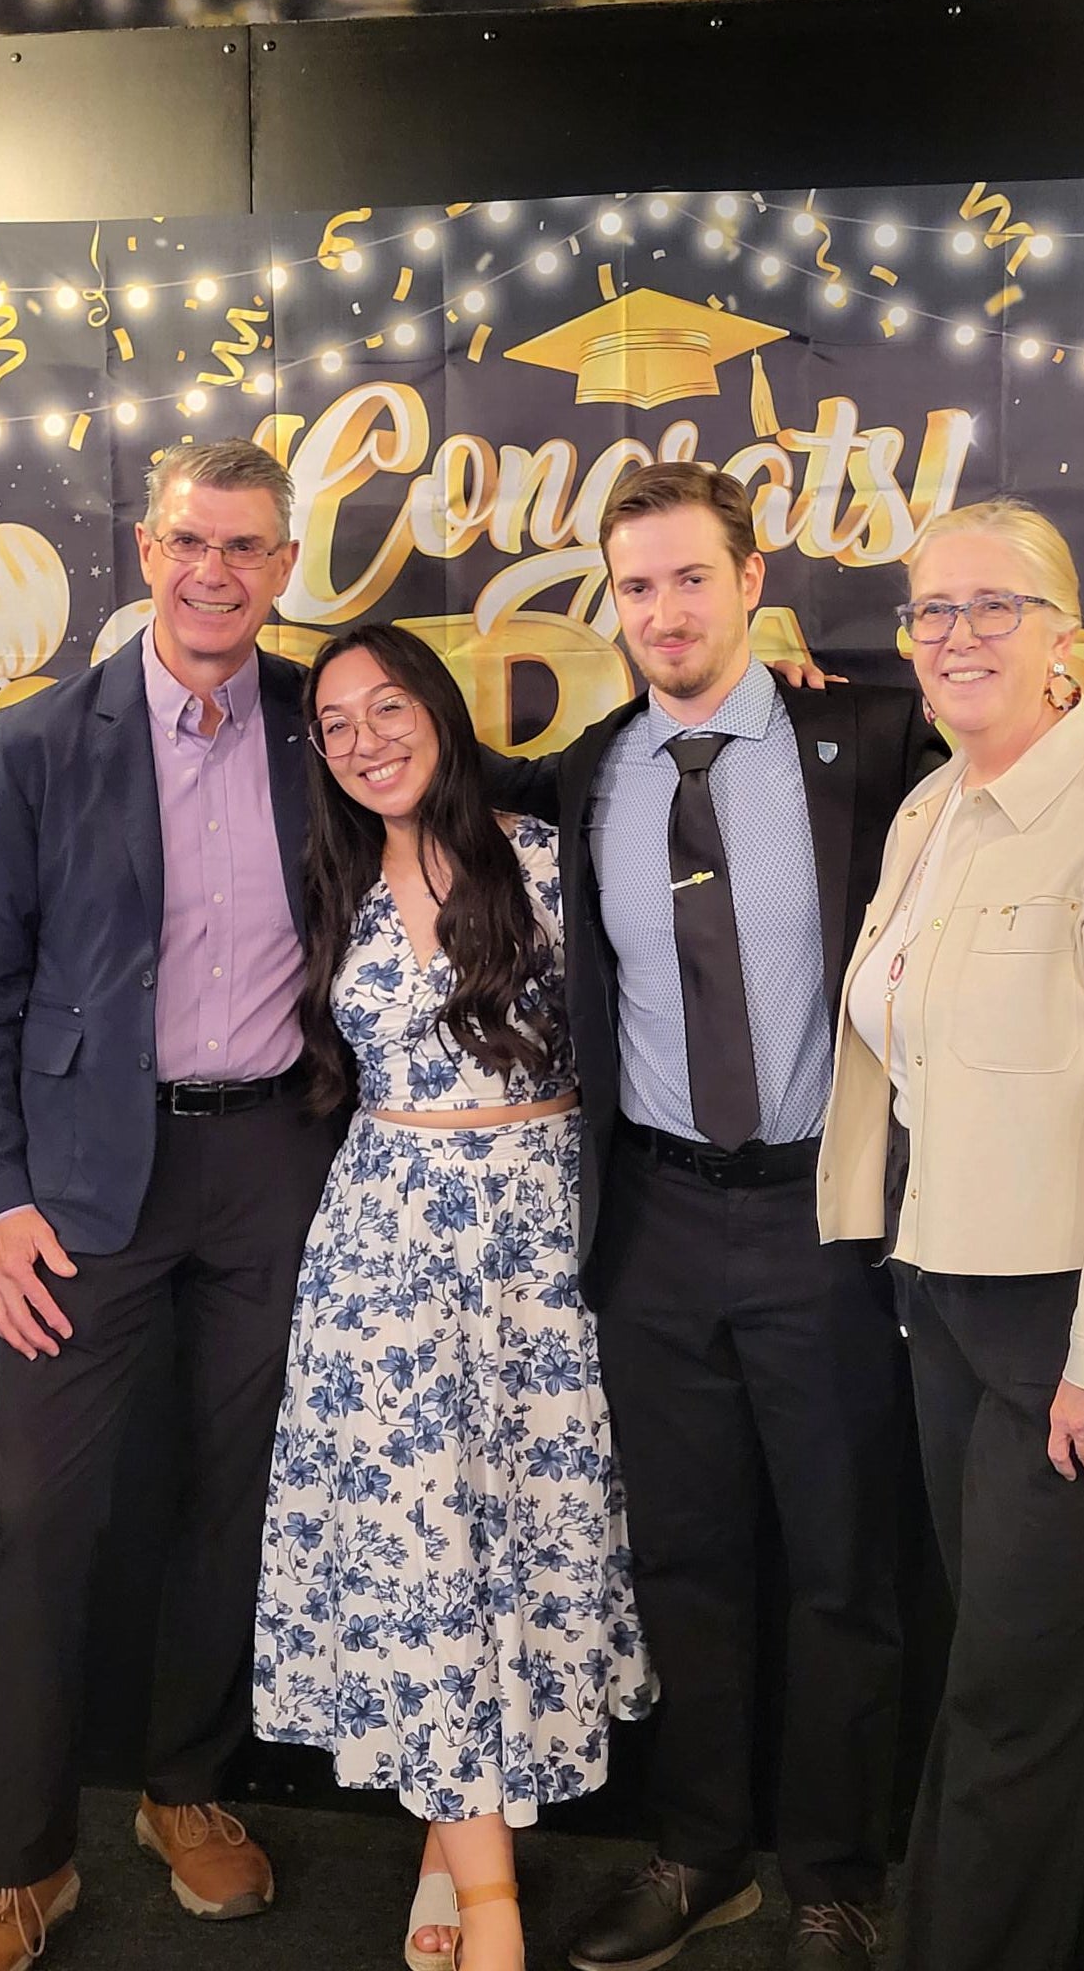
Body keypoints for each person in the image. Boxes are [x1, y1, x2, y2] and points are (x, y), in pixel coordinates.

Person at [474, 462, 944, 1971]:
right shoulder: (595, 770)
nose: (664, 611)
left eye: (692, 578)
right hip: (657, 1225)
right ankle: (701, 1853)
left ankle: (833, 1873)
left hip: (825, 1213)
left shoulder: (868, 736)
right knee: (681, 1558)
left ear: (755, 585)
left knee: (840, 1566)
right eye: (636, 587)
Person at [0, 439, 342, 1970]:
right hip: (86, 1188)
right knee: (40, 1517)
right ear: (147, 550)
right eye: (187, 542)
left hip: (274, 1169)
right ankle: (22, 1865)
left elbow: (484, 803)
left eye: (245, 547)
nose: (214, 572)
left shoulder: (326, 723)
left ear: (282, 566)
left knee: (234, 1497)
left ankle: (187, 1791)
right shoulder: (43, 741)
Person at [816, 498, 1084, 1971]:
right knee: (1038, 1684)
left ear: (1065, 637)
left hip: (1080, 1324)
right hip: (948, 1295)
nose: (957, 636)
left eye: (993, 606)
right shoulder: (934, 813)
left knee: (1008, 1690)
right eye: (932, 611)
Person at [253, 624, 653, 1971]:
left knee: (515, 1551)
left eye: (388, 706)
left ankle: (451, 1839)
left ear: (441, 706)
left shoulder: (547, 858)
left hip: (539, 1241)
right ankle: (495, 1909)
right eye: (335, 723)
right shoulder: (321, 887)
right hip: (387, 1255)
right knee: (425, 1560)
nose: (365, 739)